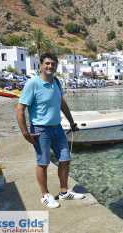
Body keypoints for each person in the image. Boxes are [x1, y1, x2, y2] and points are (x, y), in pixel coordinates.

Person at [16, 53, 84, 209]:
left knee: (65, 159)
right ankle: (45, 195)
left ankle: (64, 191)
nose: (50, 66)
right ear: (40, 65)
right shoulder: (33, 84)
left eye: (53, 64)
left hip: (57, 128)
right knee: (43, 162)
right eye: (47, 63)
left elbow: (62, 103)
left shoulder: (56, 82)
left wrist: (71, 122)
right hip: (40, 130)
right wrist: (25, 133)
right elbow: (20, 109)